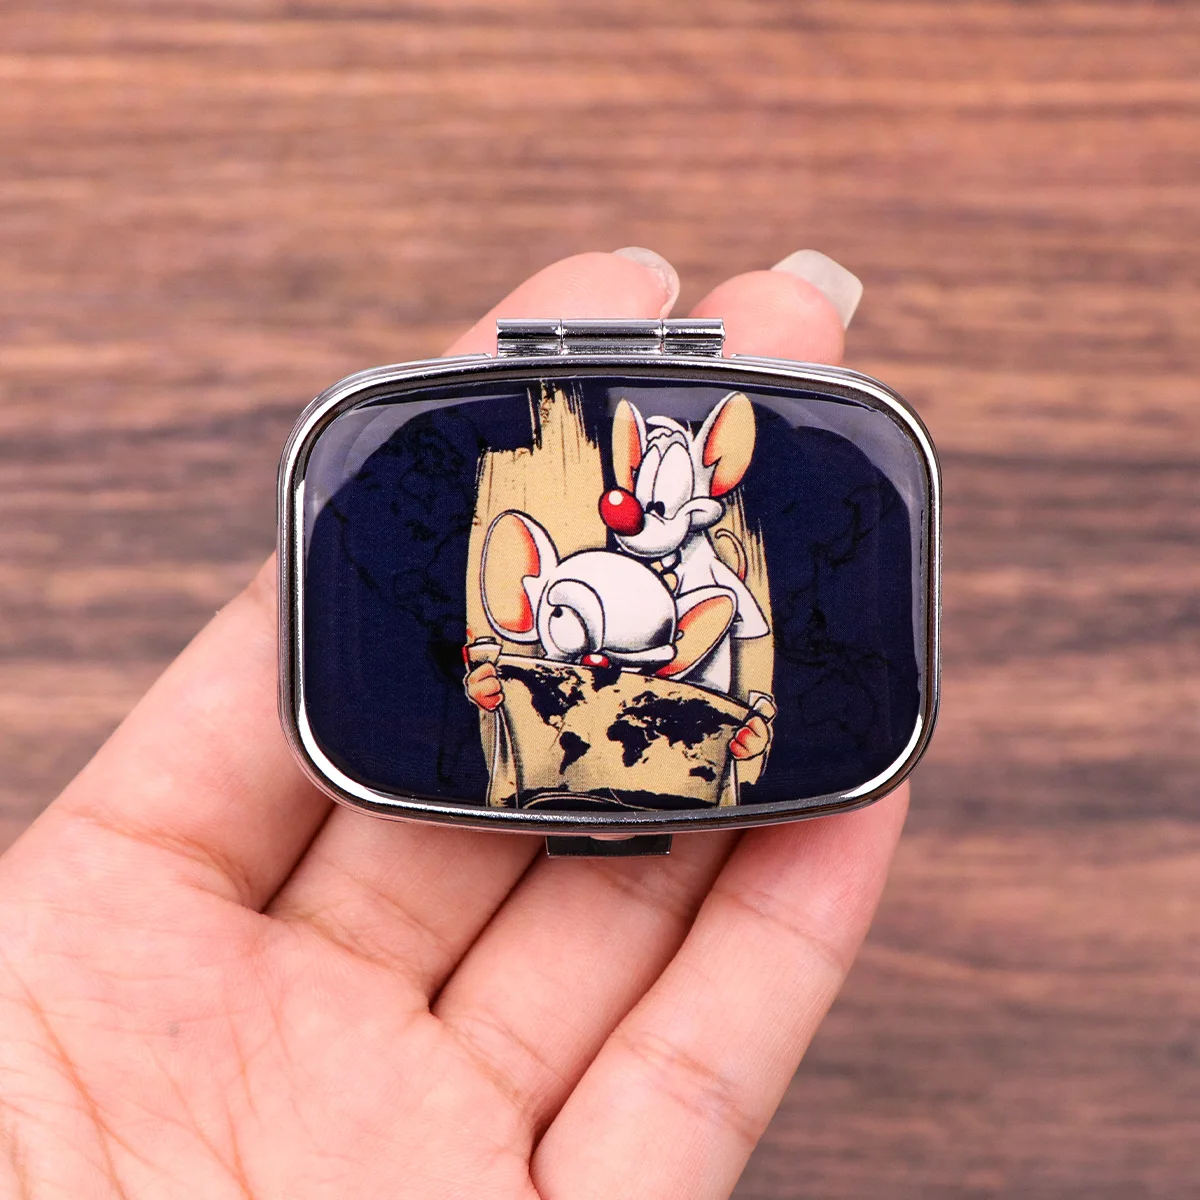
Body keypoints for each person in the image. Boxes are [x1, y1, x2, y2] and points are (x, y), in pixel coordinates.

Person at [0, 248, 904, 1199]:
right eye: (629, 496)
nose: (630, 514)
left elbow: (734, 631)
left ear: (713, 490)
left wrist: (720, 685)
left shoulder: (707, 581)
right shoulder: (609, 572)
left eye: (653, 503)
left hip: (679, 726)